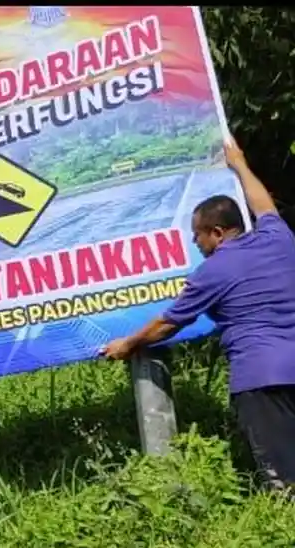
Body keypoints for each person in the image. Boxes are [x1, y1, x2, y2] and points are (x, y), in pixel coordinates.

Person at [101, 137, 295, 489]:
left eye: (198, 236)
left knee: (283, 481)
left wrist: (127, 345)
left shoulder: (214, 270)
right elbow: (264, 205)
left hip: (262, 379)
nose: (196, 244)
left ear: (217, 233)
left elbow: (166, 325)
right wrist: (239, 163)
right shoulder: (278, 237)